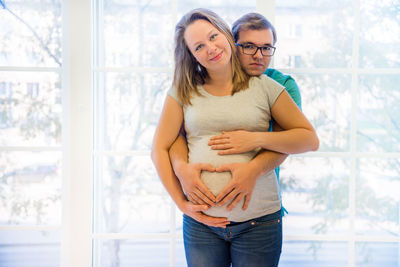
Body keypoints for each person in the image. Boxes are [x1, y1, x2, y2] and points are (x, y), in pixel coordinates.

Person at [151, 8, 319, 267]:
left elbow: (308, 139)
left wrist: (254, 139)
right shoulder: (182, 90)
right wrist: (182, 203)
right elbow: (162, 147)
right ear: (191, 54)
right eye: (199, 46)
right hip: (202, 224)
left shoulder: (267, 87)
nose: (210, 48)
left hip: (258, 222)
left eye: (213, 36)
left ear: (225, 33)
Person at [169, 13, 302, 225]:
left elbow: (292, 141)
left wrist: (254, 143)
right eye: (249, 46)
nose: (258, 55)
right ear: (233, 43)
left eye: (266, 47)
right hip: (204, 219)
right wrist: (181, 169)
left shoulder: (278, 85)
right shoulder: (196, 85)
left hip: (257, 207)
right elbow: (178, 136)